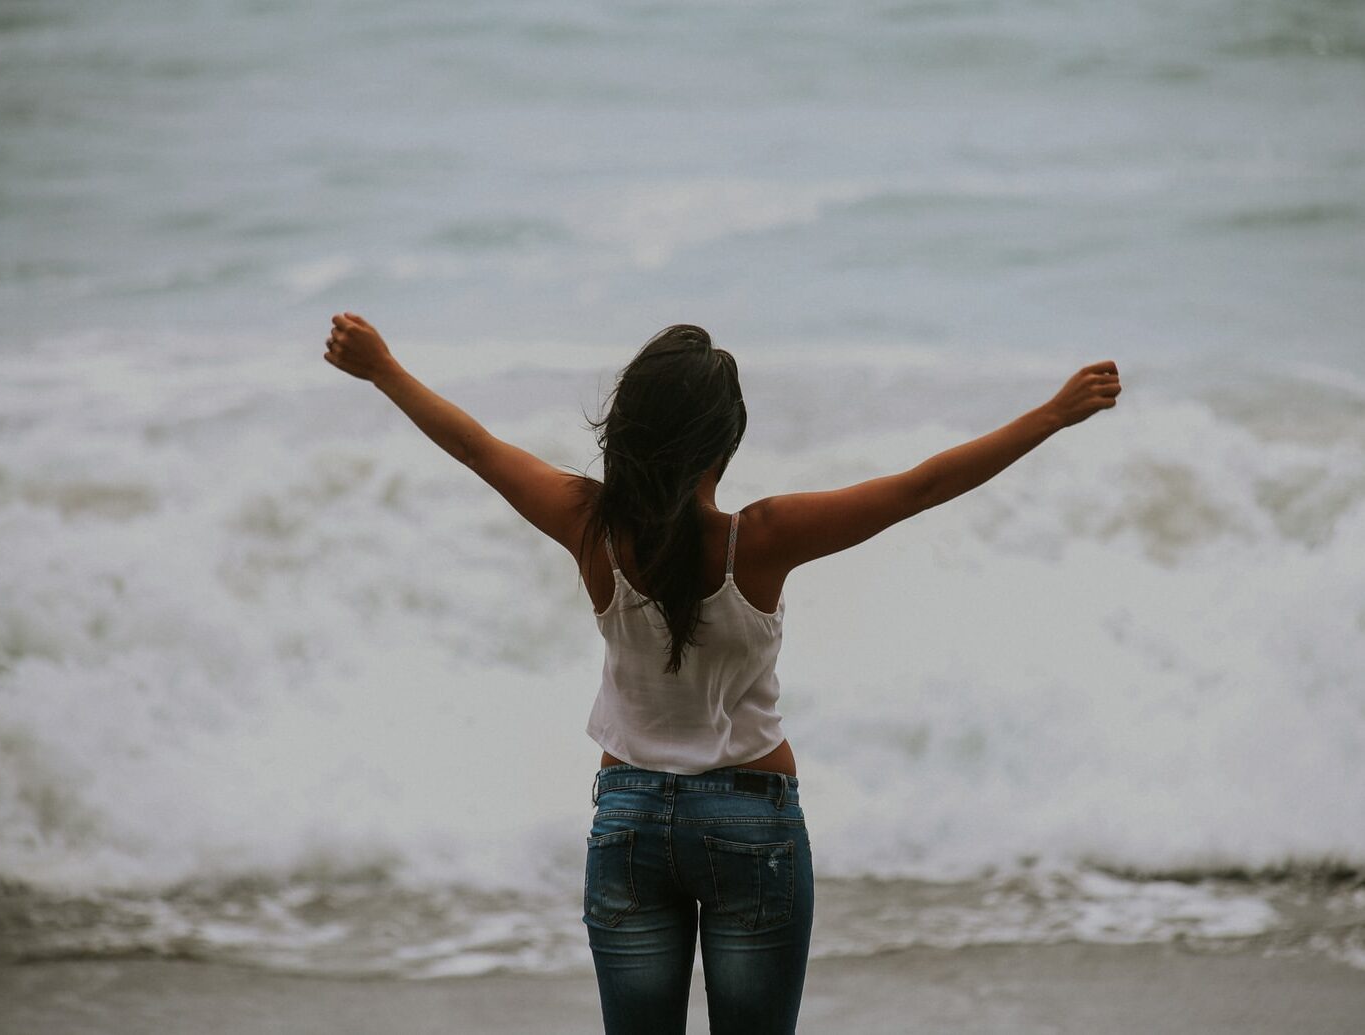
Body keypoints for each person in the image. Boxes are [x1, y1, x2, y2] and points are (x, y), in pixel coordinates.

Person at [321, 314, 1121, 1034]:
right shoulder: (762, 537)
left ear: (628, 432)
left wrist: (383, 368)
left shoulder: (589, 525)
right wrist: (1052, 414)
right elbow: (921, 486)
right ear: (725, 441)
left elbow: (474, 446)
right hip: (752, 822)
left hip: (628, 819)